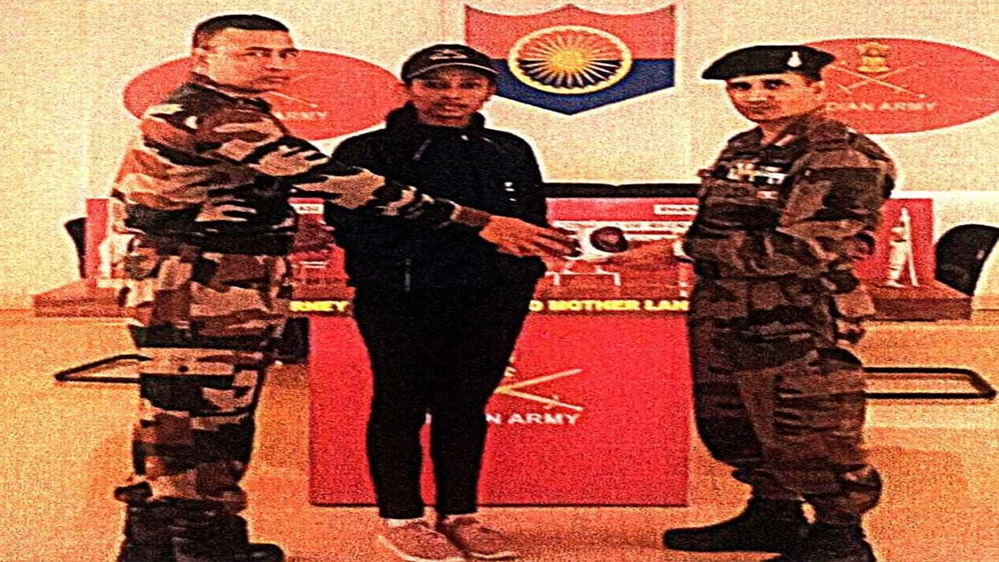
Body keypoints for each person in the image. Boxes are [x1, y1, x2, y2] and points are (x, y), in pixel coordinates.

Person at [107, 17, 574, 562]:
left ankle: (162, 542)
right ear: (202, 57)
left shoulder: (238, 110)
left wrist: (281, 228)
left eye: (283, 54)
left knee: (188, 415)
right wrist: (478, 222)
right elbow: (335, 183)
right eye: (253, 53)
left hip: (221, 283)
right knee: (198, 416)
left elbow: (212, 202)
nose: (274, 64)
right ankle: (199, 547)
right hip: (196, 290)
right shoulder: (212, 113)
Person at [612, 45, 896, 562]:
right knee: (735, 423)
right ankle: (774, 515)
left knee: (808, 427)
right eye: (741, 87)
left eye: (774, 85)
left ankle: (840, 537)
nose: (755, 97)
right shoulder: (743, 147)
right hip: (726, 308)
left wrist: (680, 251)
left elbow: (808, 248)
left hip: (798, 313)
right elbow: (722, 227)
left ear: (816, 89)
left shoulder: (841, 155)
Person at [323, 44, 548, 562]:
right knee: (400, 402)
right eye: (435, 84)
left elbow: (529, 224)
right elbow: (351, 227)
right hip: (400, 295)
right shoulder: (366, 151)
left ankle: (460, 514)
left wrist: (520, 270)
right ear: (406, 90)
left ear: (489, 91)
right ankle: (401, 518)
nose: (452, 96)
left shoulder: (509, 148)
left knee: (465, 405)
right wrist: (463, 239)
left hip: (491, 296)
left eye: (468, 84)